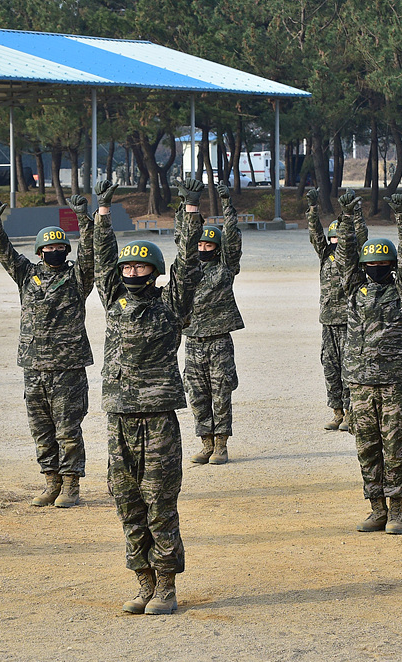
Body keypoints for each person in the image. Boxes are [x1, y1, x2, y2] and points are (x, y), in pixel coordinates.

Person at [97, 177, 203, 615]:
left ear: (154, 272)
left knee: (159, 502)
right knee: (127, 501)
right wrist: (102, 215)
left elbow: (189, 267)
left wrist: (190, 210)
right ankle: (141, 582)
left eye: (141, 268)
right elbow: (100, 259)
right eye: (127, 268)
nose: (132, 273)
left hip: (157, 415)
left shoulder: (171, 304)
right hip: (119, 416)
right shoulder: (113, 301)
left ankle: (165, 586)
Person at [0, 192, 95, 508]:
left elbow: (89, 252)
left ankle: (71, 486)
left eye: (60, 247)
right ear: (40, 251)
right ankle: (51, 482)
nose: (55, 251)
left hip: (68, 368)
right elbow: (3, 250)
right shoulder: (26, 275)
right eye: (49, 247)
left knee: (68, 431)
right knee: (41, 429)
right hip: (34, 367)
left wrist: (83, 218)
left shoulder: (77, 277)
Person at [337, 191, 402, 535]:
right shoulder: (354, 290)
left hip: (393, 382)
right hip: (359, 383)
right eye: (371, 264)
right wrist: (347, 218)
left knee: (395, 447)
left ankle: (397, 510)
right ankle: (376, 509)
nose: (376, 269)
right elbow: (345, 256)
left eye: (383, 264)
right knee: (366, 448)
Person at [181, 181, 244, 465]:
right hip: (193, 339)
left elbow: (233, 238)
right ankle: (205, 442)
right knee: (197, 393)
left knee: (221, 391)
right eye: (200, 244)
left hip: (218, 339)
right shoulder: (188, 269)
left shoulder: (225, 267)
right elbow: (182, 237)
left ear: (216, 248)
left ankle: (221, 444)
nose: (203, 248)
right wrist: (188, 206)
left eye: (209, 244)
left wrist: (227, 204)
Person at [306, 188, 366, 431]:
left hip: (349, 321)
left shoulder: (353, 257)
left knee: (349, 368)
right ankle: (337, 411)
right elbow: (314, 234)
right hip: (328, 322)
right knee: (330, 367)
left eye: (339, 238)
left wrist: (352, 214)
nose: (335, 242)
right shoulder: (324, 256)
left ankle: (352, 412)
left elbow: (360, 235)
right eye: (333, 239)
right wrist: (313, 209)